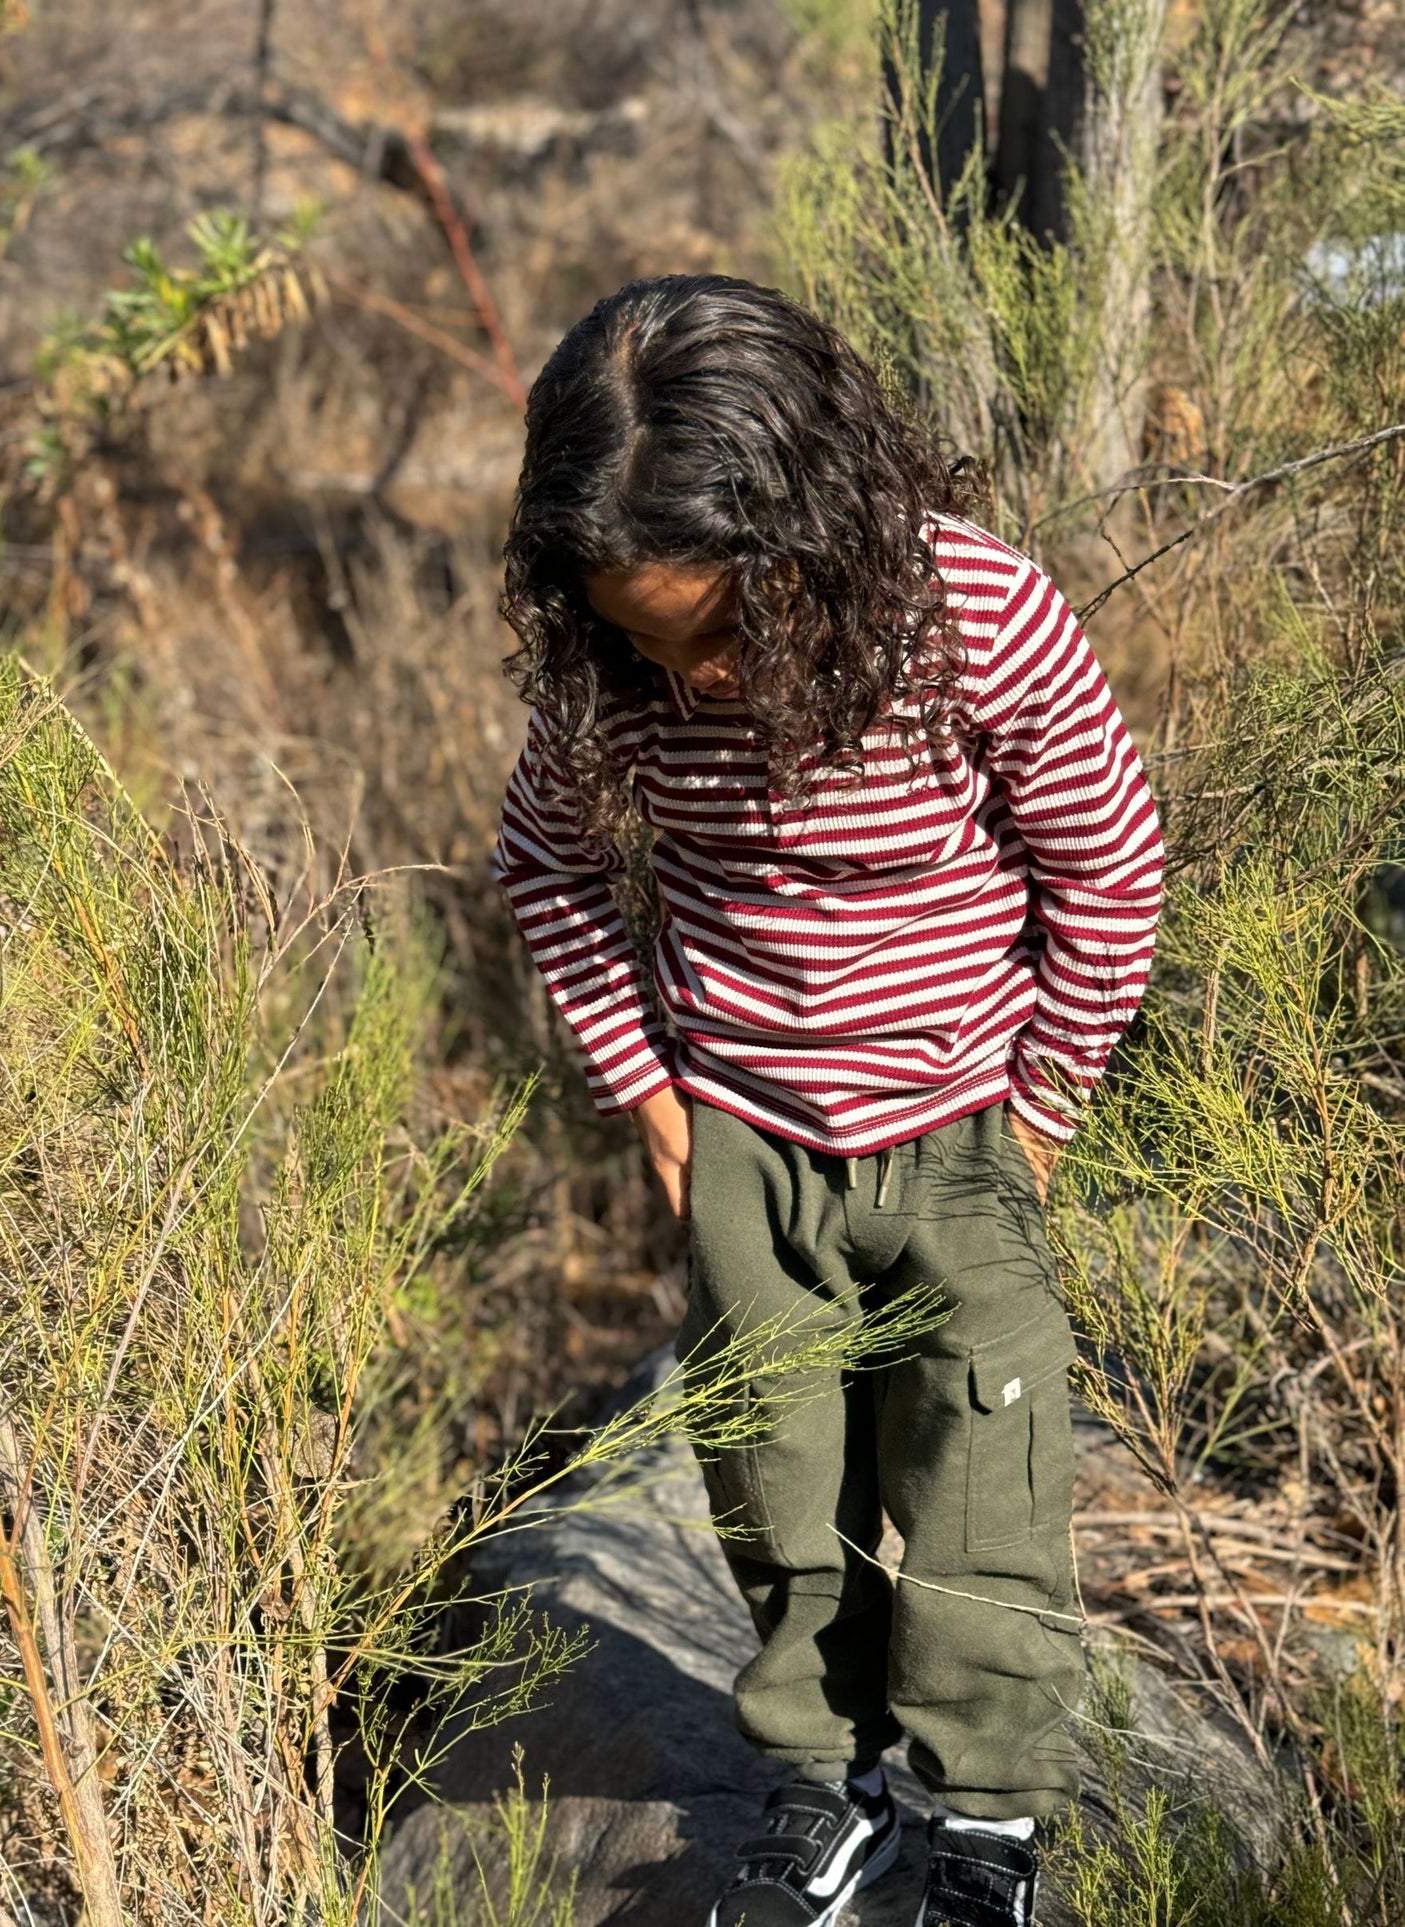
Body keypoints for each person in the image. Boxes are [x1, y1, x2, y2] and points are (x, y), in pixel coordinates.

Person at [492, 273, 1163, 1927]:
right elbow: (550, 867)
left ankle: (986, 1811)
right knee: (776, 1479)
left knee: (974, 1474)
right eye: (642, 638)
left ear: (815, 532)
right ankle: (822, 1775)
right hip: (742, 1143)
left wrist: (1045, 1109)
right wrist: (647, 1100)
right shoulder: (613, 679)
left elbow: (1105, 859)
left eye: (714, 629)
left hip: (962, 1136)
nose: (689, 677)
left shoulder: (976, 617)